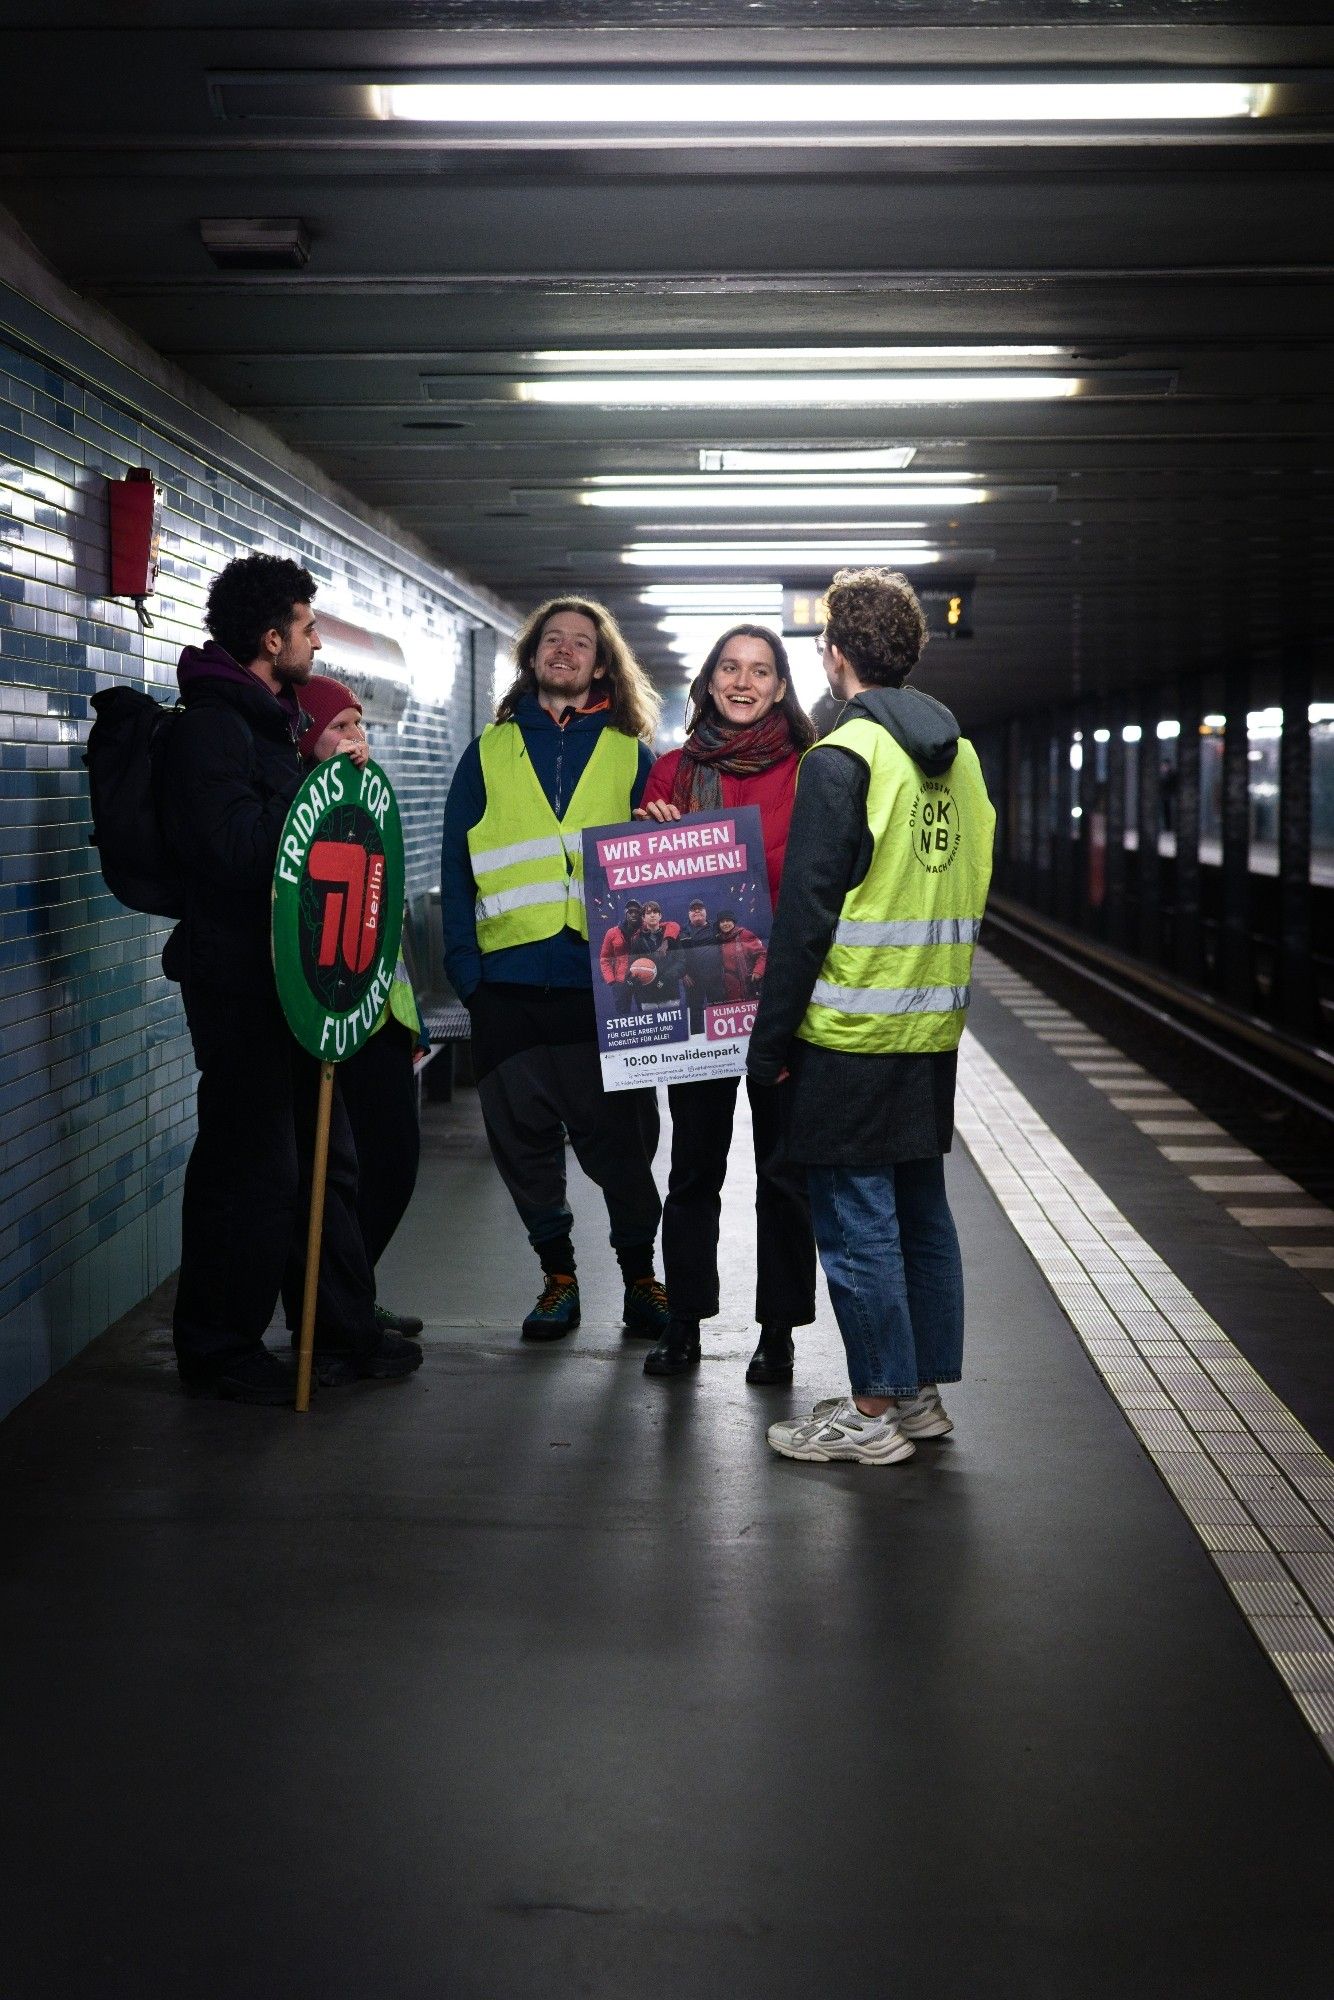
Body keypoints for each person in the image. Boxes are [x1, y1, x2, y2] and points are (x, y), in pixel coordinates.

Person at [157, 555, 423, 1403]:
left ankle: (338, 1323)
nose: (314, 638)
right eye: (306, 627)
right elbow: (234, 849)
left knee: (327, 1161)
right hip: (237, 988)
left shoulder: (264, 721)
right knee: (250, 1170)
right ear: (271, 640)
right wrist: (314, 785)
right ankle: (218, 1346)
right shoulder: (209, 729)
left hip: (295, 988)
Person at [747, 568, 995, 1466]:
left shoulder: (841, 760)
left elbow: (807, 915)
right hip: (930, 1027)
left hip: (849, 1031)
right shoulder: (961, 760)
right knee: (920, 1208)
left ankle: (871, 1408)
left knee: (858, 1225)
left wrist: (768, 1045)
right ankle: (920, 1394)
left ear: (834, 654)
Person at [440, 596, 671, 1342]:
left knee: (625, 1146)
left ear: (602, 664)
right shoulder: (488, 752)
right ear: (533, 656)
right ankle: (558, 1279)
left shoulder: (634, 755)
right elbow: (456, 865)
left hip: (602, 989)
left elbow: (663, 877)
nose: (565, 651)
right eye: (552, 640)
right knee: (523, 1145)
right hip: (506, 988)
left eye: (581, 643)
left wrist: (665, 835)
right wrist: (467, 977)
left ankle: (642, 1279)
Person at [634, 623, 818, 1386]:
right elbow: (638, 901)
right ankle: (685, 1321)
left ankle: (777, 1331)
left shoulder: (814, 772)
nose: (744, 683)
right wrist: (648, 841)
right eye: (731, 670)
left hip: (781, 1000)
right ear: (708, 682)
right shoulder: (670, 774)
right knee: (694, 1166)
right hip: (699, 1003)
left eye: (761, 672)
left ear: (780, 687)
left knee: (782, 1170)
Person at [294, 674, 426, 1340]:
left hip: (380, 1014)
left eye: (359, 724)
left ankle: (349, 1295)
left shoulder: (365, 799)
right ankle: (331, 1312)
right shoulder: (294, 808)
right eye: (338, 726)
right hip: (324, 1020)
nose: (355, 738)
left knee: (394, 1164)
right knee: (334, 1176)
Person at [599, 899, 646, 1014]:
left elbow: (671, 925)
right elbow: (604, 958)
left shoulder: (646, 929)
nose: (634, 914)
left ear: (641, 914)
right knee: (623, 1015)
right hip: (621, 980)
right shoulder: (612, 933)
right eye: (630, 911)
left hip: (643, 978)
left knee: (646, 1013)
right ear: (626, 913)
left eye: (636, 911)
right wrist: (611, 980)